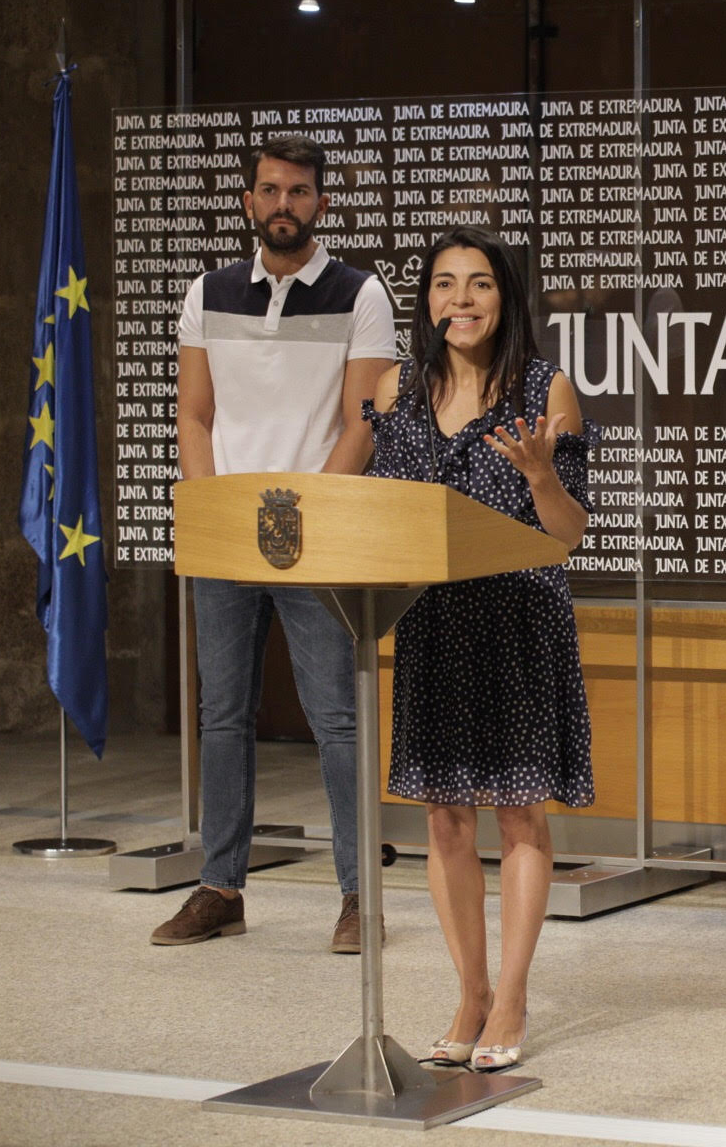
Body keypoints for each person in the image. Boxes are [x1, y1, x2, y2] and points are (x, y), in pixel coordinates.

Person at [157, 133, 396, 952]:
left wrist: (304, 513)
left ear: (322, 203)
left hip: (316, 534)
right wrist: (213, 509)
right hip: (228, 535)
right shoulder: (209, 292)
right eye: (270, 190)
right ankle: (219, 887)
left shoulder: (361, 293)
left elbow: (363, 423)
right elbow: (195, 415)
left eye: (298, 191)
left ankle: (361, 896)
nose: (283, 204)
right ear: (248, 201)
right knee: (223, 715)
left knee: (336, 717)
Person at [365, 227, 594, 1073]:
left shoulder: (543, 388)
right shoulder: (396, 389)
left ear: (506, 298)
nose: (460, 300)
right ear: (426, 299)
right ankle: (469, 991)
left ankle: (512, 996)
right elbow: (383, 507)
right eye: (444, 284)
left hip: (519, 619)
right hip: (433, 621)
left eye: (479, 284)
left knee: (518, 812)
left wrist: (541, 474)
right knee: (444, 816)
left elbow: (567, 535)